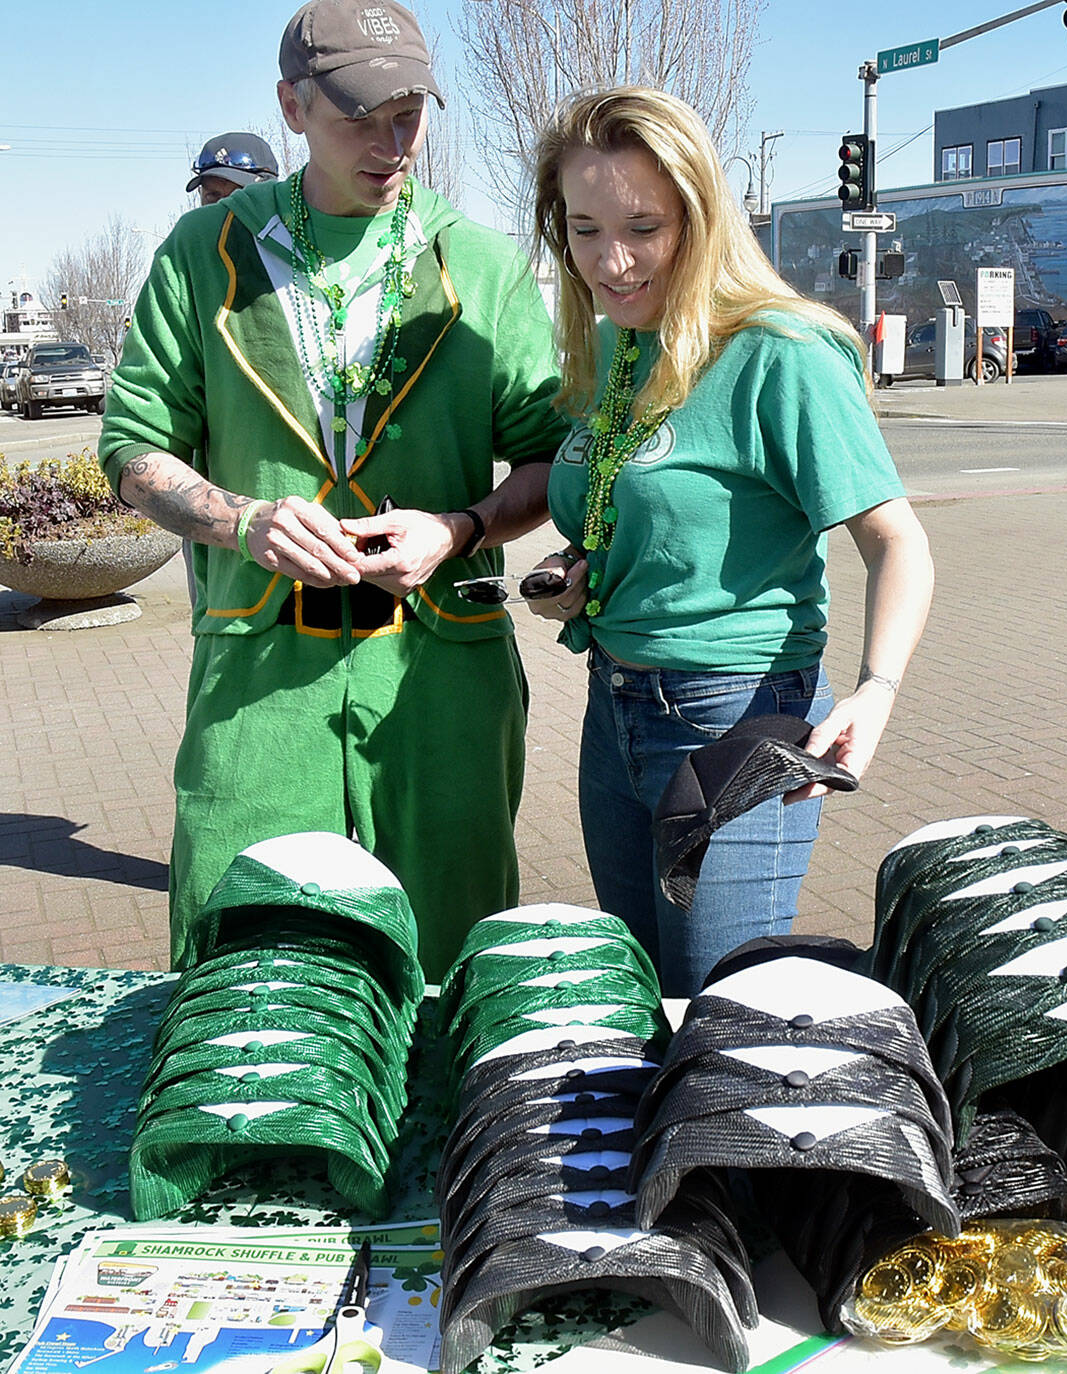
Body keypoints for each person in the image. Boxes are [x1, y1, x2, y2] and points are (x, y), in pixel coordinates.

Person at [99, 0, 566, 982]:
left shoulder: (479, 266)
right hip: (260, 668)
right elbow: (136, 449)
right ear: (291, 106)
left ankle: (441, 1138)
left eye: (410, 113)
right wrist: (242, 520)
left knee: (453, 951)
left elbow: (548, 461)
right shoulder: (203, 257)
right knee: (243, 939)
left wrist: (460, 526)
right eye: (359, 115)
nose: (391, 143)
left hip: (440, 668)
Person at [526, 87, 934, 996]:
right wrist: (589, 574)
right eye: (585, 229)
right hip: (616, 708)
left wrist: (876, 691)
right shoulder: (619, 345)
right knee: (638, 997)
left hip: (733, 718)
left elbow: (895, 542)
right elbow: (656, 508)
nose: (613, 260)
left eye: (644, 226)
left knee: (715, 1008)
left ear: (702, 219)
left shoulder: (779, 351)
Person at [186, 131, 280, 205]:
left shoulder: (288, 226)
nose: (223, 205)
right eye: (213, 196)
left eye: (238, 196)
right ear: (200, 193)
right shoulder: (192, 227)